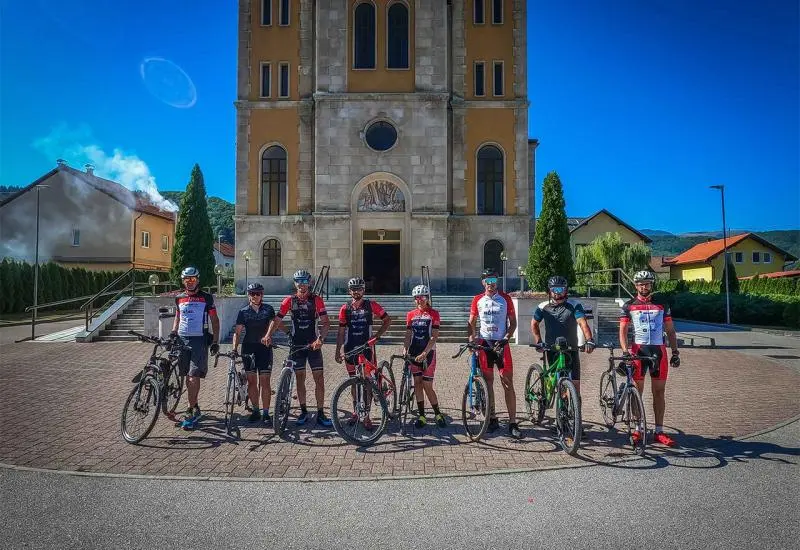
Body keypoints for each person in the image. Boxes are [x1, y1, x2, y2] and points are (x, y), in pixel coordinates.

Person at [619, 270, 680, 447]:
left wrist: (675, 352)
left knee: (659, 392)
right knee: (637, 391)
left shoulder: (662, 305)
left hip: (658, 352)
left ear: (651, 285)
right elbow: (622, 331)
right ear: (635, 286)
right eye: (640, 284)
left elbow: (670, 330)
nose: (643, 287)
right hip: (638, 351)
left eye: (646, 283)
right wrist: (625, 351)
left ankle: (659, 431)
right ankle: (638, 428)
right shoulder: (628, 305)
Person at [264, 269, 332, 427]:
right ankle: (303, 411)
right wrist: (269, 335)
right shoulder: (289, 300)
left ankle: (321, 413)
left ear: (310, 283)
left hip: (313, 345)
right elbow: (277, 319)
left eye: (305, 282)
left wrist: (320, 339)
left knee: (319, 379)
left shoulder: (316, 300)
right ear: (295, 283)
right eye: (299, 282)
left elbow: (326, 322)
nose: (302, 285)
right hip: (297, 344)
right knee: (300, 379)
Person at [467, 268, 521, 439]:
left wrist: (507, 336)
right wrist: (471, 339)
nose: (491, 284)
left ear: (497, 281)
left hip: (501, 344)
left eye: (493, 280)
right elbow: (471, 322)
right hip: (485, 344)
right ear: (483, 282)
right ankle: (492, 418)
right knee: (488, 383)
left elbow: (513, 323)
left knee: (507, 382)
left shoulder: (505, 299)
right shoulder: (477, 299)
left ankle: (512, 422)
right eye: (487, 281)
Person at [335, 277, 392, 426]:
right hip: (350, 349)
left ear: (363, 290)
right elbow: (341, 332)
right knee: (353, 382)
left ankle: (366, 416)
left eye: (359, 289)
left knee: (366, 382)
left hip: (367, 349)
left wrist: (376, 336)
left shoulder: (371, 305)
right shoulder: (344, 308)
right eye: (353, 289)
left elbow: (387, 320)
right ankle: (355, 412)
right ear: (349, 291)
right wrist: (337, 350)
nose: (356, 291)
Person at [171, 266, 220, 430]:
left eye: (192, 279)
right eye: (187, 279)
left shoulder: (206, 298)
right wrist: (173, 332)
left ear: (198, 280)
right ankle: (195, 405)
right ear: (183, 281)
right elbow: (178, 317)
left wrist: (215, 341)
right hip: (182, 339)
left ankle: (191, 411)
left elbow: (214, 319)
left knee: (193, 376)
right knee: (186, 376)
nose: (190, 282)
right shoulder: (179, 298)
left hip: (199, 340)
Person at [530, 275, 595, 400]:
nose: (557, 292)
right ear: (549, 290)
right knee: (555, 379)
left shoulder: (574, 305)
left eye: (560, 289)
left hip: (571, 347)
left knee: (575, 385)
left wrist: (589, 339)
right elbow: (534, 323)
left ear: (566, 290)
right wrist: (538, 341)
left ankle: (575, 411)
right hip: (551, 348)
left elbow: (582, 323)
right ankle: (553, 399)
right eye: (554, 289)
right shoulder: (543, 306)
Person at [403, 284, 447, 428]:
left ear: (427, 298)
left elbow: (434, 337)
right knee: (417, 384)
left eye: (422, 297)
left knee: (427, 385)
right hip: (414, 354)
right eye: (416, 298)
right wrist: (405, 348)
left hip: (428, 353)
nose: (419, 300)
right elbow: (408, 334)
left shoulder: (434, 314)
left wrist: (425, 353)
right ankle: (422, 416)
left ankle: (437, 413)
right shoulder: (410, 314)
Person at [232, 282, 276, 423]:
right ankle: (256, 410)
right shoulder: (243, 312)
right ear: (248, 295)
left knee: (265, 381)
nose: (255, 296)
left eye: (258, 293)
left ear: (262, 295)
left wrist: (268, 335)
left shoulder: (268, 309)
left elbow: (272, 323)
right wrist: (234, 349)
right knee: (252, 381)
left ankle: (266, 413)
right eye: (252, 294)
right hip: (249, 348)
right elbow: (237, 333)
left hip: (264, 348)